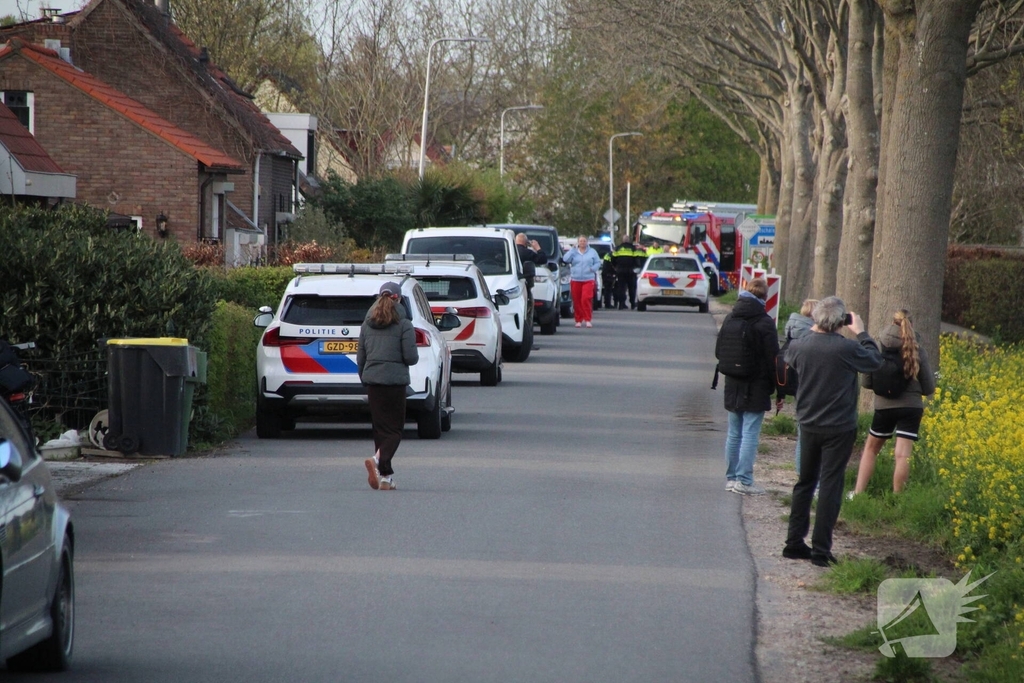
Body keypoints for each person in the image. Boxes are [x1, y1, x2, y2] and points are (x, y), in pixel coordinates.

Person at [782, 297, 884, 566]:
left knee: (805, 481)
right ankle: (821, 550)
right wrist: (861, 331)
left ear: (815, 318)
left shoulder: (799, 345)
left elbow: (789, 357)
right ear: (841, 322)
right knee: (830, 484)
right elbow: (875, 361)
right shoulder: (847, 348)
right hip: (838, 426)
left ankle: (793, 542)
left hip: (808, 422)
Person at [851, 309, 936, 496]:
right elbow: (929, 388)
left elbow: (866, 382)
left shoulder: (878, 346)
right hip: (911, 408)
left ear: (891, 322)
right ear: (911, 325)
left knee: (871, 449)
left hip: (884, 407)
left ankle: (858, 493)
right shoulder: (917, 349)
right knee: (902, 455)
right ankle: (897, 499)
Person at [720, 277, 783, 496]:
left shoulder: (730, 317)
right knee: (749, 434)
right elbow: (773, 359)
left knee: (734, 433)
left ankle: (731, 478)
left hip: (732, 382)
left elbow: (719, 352)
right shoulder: (764, 322)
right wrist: (779, 389)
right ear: (765, 297)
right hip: (756, 384)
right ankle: (745, 481)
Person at [357, 281, 418, 491]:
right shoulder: (404, 324)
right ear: (398, 299)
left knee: (380, 431)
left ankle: (385, 477)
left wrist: (365, 377)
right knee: (394, 431)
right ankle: (375, 461)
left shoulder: (366, 324)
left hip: (373, 382)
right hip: (395, 382)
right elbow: (411, 357)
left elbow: (361, 357)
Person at [784, 298, 819, 473]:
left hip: (796, 385)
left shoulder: (791, 328)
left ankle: (801, 473)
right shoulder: (810, 334)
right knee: (807, 435)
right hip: (810, 386)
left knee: (801, 431)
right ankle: (806, 474)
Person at [561, 235, 602, 327]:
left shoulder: (592, 252)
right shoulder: (574, 252)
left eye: (584, 241)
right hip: (576, 279)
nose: (582, 243)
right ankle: (578, 320)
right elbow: (565, 259)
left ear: (587, 242)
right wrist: (572, 250)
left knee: (586, 298)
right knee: (577, 300)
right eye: (580, 241)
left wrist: (593, 269)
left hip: (588, 279)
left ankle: (587, 319)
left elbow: (598, 262)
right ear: (578, 242)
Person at [610, 240, 640, 309]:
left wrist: (616, 267)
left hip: (620, 271)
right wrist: (636, 267)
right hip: (630, 271)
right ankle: (632, 303)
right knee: (631, 288)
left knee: (621, 288)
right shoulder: (633, 248)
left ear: (623, 241)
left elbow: (612, 259)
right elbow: (637, 259)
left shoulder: (618, 248)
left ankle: (621, 304)